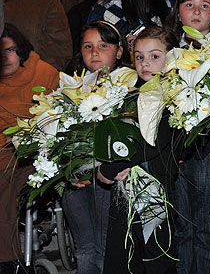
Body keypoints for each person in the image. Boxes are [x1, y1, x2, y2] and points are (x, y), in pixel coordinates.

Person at [97, 25, 181, 274]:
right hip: (125, 189)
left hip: (156, 189)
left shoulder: (176, 95)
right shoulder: (131, 95)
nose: (146, 63)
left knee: (157, 256)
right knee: (124, 252)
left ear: (172, 57)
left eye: (155, 56)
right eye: (139, 57)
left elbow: (154, 140)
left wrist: (114, 166)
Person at [166, 0, 210, 274]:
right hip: (173, 150)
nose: (196, 11)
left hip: (209, 149)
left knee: (207, 230)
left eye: (205, 5)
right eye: (188, 4)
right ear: (178, 11)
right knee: (181, 228)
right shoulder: (165, 51)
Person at [63, 20, 131, 274]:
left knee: (105, 248)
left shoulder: (127, 86)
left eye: (103, 45)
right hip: (77, 181)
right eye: (87, 46)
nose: (94, 52)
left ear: (119, 51)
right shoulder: (71, 86)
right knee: (84, 247)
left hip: (106, 181)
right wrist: (67, 168)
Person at [0, 24, 58, 272]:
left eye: (10, 50)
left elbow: (51, 121)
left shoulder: (43, 73)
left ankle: (7, 259)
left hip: (30, 153)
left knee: (5, 182)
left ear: (21, 49)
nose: (4, 58)